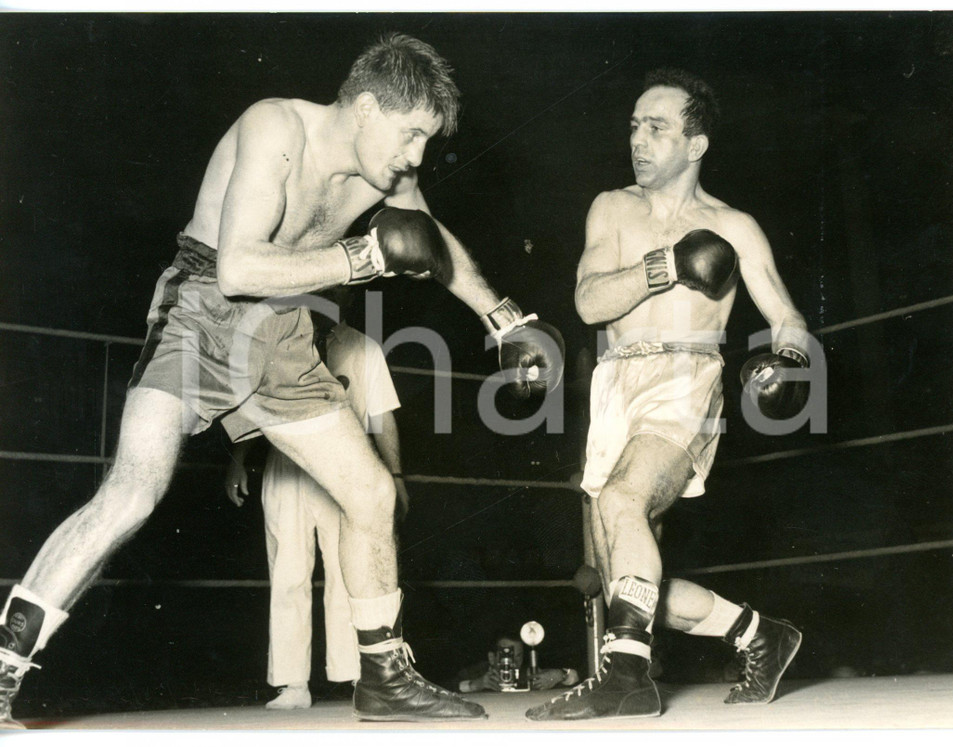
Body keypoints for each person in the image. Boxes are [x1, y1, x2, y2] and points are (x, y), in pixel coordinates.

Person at [0, 33, 562, 728]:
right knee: (132, 492)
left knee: (371, 492)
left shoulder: (388, 176)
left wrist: (506, 318)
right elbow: (238, 268)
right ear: (364, 107)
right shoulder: (277, 127)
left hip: (288, 331)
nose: (417, 156)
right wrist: (360, 257)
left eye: (427, 139)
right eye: (410, 133)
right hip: (203, 310)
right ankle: (3, 665)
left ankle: (384, 675)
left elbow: (437, 245)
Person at [526, 68, 810, 721]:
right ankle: (759, 633)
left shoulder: (734, 226)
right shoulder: (612, 207)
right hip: (615, 382)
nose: (639, 139)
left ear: (697, 143)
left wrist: (784, 359)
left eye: (657, 127)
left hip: (689, 378)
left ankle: (625, 678)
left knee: (625, 499)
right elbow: (590, 301)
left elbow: (789, 319)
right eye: (634, 125)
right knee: (617, 572)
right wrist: (670, 264)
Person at [225, 291, 409, 710]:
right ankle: (292, 685)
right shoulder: (277, 340)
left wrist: (395, 475)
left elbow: (383, 415)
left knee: (350, 570)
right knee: (288, 571)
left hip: (345, 467)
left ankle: (356, 677)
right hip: (286, 464)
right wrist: (238, 461)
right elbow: (252, 405)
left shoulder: (363, 348)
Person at [456, 633, 579, 694]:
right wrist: (474, 685)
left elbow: (578, 681)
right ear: (492, 657)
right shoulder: (477, 672)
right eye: (506, 655)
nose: (513, 662)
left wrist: (560, 675)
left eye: (518, 656)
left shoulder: (528, 675)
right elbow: (441, 689)